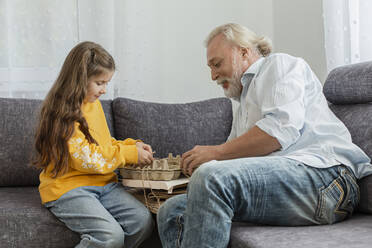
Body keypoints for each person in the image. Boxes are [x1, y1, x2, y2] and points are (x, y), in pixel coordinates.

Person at [157, 23, 372, 248]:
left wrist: (215, 154)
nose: (213, 76)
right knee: (171, 210)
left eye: (216, 64)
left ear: (243, 51)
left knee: (210, 178)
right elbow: (231, 161)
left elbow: (279, 131)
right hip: (295, 182)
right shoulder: (244, 104)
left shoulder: (279, 65)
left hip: (326, 178)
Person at [33, 41, 155, 248]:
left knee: (142, 222)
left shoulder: (93, 104)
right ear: (79, 79)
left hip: (104, 184)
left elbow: (101, 144)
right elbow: (89, 159)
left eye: (107, 83)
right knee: (110, 236)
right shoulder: (61, 113)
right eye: (100, 83)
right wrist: (129, 154)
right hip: (68, 188)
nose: (104, 90)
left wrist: (131, 145)